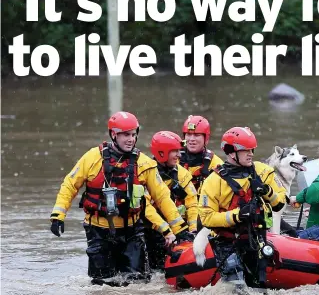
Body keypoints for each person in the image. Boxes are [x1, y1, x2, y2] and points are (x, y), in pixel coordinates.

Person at [49, 111, 190, 285]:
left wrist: (179, 229)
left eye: (133, 134)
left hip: (132, 232)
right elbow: (70, 185)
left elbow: (162, 197)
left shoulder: (144, 163)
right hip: (99, 232)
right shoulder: (92, 158)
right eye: (125, 135)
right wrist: (58, 215)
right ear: (114, 134)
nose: (131, 139)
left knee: (138, 285)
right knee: (102, 285)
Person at [198, 127, 286, 293]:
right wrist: (237, 215)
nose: (251, 154)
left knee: (259, 289)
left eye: (252, 150)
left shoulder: (262, 171)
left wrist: (267, 191)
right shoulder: (213, 181)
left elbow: (280, 204)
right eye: (245, 150)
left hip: (255, 239)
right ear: (232, 153)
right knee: (236, 289)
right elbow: (206, 218)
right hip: (226, 242)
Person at [144, 131, 198, 270]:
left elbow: (192, 203)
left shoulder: (181, 173)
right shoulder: (146, 173)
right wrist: (165, 230)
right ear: (162, 152)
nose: (180, 155)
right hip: (149, 228)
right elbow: (145, 208)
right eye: (175, 151)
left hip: (173, 227)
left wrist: (192, 231)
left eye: (179, 151)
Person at [179, 115, 223, 192]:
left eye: (197, 135)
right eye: (188, 135)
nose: (192, 139)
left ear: (206, 138)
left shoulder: (216, 164)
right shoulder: (174, 159)